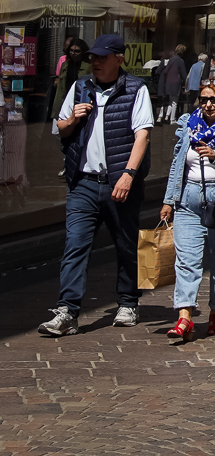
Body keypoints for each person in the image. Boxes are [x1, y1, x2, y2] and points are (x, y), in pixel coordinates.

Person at [37, 33, 153, 336]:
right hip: (83, 183)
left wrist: (128, 174)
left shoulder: (136, 89)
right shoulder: (80, 88)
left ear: (119, 58)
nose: (96, 63)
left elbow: (142, 135)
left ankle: (128, 302)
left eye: (103, 57)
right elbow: (59, 129)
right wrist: (72, 120)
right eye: (93, 58)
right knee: (75, 246)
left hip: (119, 181)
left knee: (127, 244)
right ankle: (67, 311)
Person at [158, 80, 215, 341]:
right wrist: (168, 201)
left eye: (214, 99)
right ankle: (184, 318)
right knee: (186, 262)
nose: (208, 104)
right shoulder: (188, 125)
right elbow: (177, 166)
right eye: (204, 99)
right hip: (188, 202)